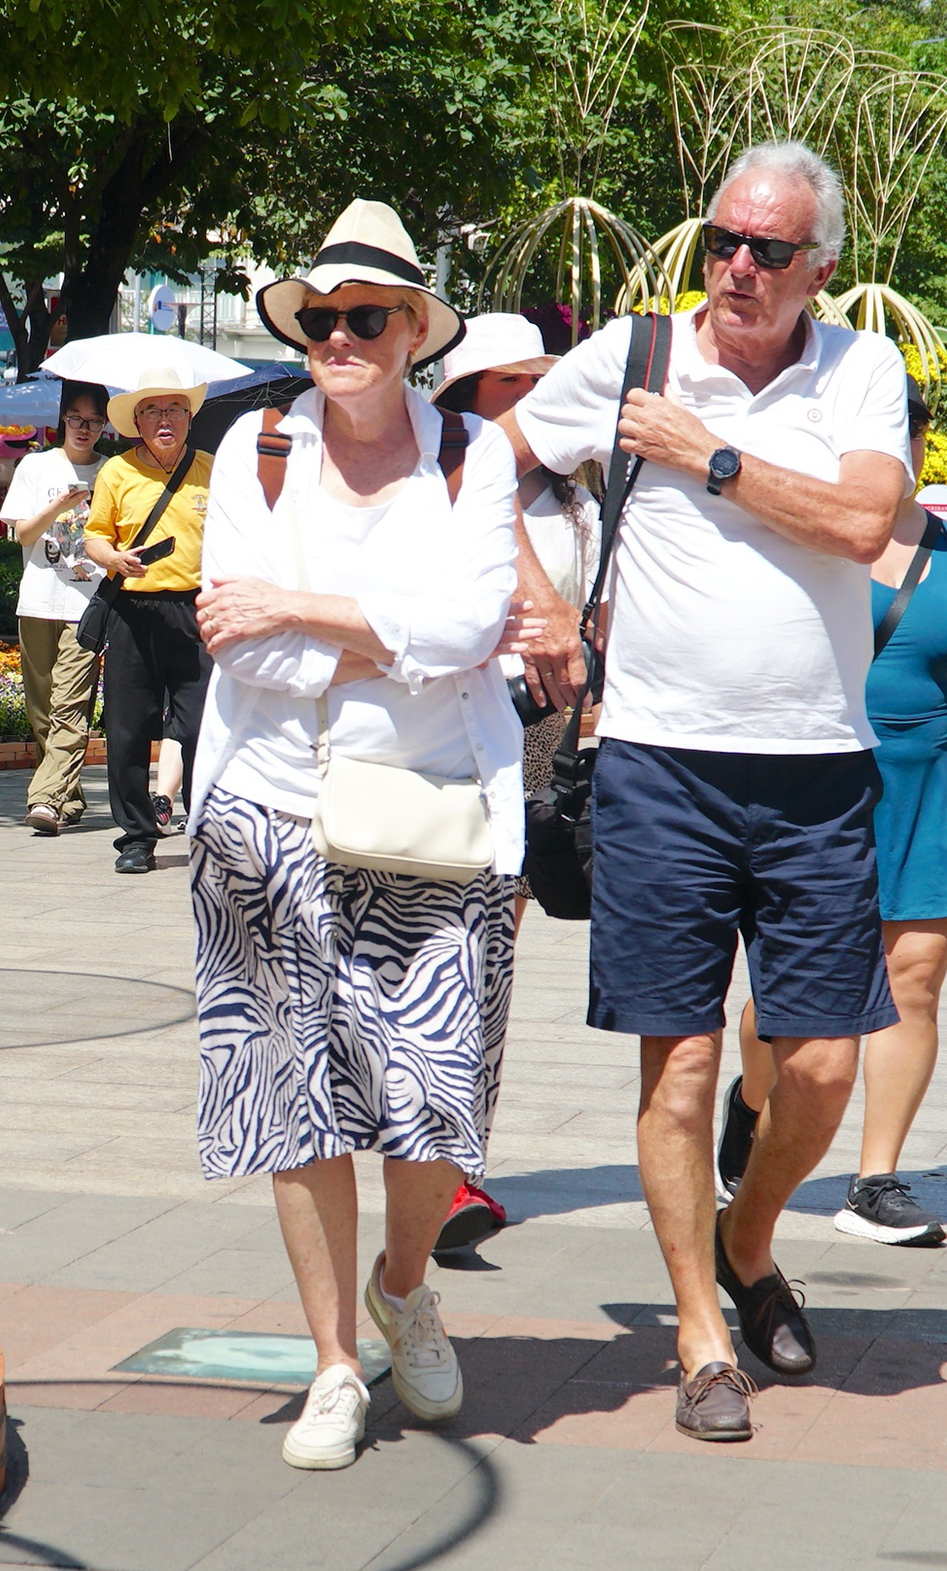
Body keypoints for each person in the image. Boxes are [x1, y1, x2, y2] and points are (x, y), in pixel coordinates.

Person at [500, 140, 912, 1441]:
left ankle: (749, 1235)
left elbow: (863, 526)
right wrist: (536, 597)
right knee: (679, 1068)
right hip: (659, 771)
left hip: (816, 775)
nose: (737, 267)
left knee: (825, 1071)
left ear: (819, 270)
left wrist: (708, 452)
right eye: (722, 239)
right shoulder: (628, 359)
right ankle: (697, 1335)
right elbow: (488, 458)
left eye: (768, 251)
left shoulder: (862, 371)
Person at [190, 198, 523, 1472]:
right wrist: (380, 627)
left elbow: (471, 628)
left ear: (411, 332)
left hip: (434, 819)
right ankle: (334, 1360)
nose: (339, 338)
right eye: (319, 319)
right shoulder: (253, 451)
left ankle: (404, 1284)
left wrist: (309, 607)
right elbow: (242, 638)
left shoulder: (469, 457)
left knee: (432, 1104)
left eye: (365, 318)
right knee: (296, 1097)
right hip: (264, 808)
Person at [725, 383, 947, 1248]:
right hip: (819, 787)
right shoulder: (796, 537)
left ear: (920, 446)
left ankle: (874, 1182)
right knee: (786, 1005)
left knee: (914, 984)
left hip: (928, 784)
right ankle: (751, 1106)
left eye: (911, 434)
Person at [428, 311, 593, 1254]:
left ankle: (460, 1169)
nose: (531, 404)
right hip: (446, 734)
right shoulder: (437, 488)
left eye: (541, 386)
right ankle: (428, 1148)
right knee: (441, 948)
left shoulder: (576, 504)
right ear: (464, 398)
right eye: (509, 386)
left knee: (492, 948)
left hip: (539, 743)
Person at [84, 363, 216, 873]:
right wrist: (112, 558)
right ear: (137, 421)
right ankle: (137, 837)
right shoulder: (117, 471)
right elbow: (96, 534)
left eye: (175, 410)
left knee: (205, 726)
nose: (165, 419)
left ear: (189, 417)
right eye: (153, 411)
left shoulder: (212, 467)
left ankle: (207, 831)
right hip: (133, 612)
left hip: (198, 609)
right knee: (127, 728)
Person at [1, 381, 108, 833]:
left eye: (94, 421)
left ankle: (44, 798)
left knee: (70, 707)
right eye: (76, 419)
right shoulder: (36, 465)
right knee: (42, 710)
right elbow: (23, 535)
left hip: (88, 605)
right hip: (39, 601)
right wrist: (61, 504)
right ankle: (69, 795)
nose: (85, 429)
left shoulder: (114, 473)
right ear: (62, 420)